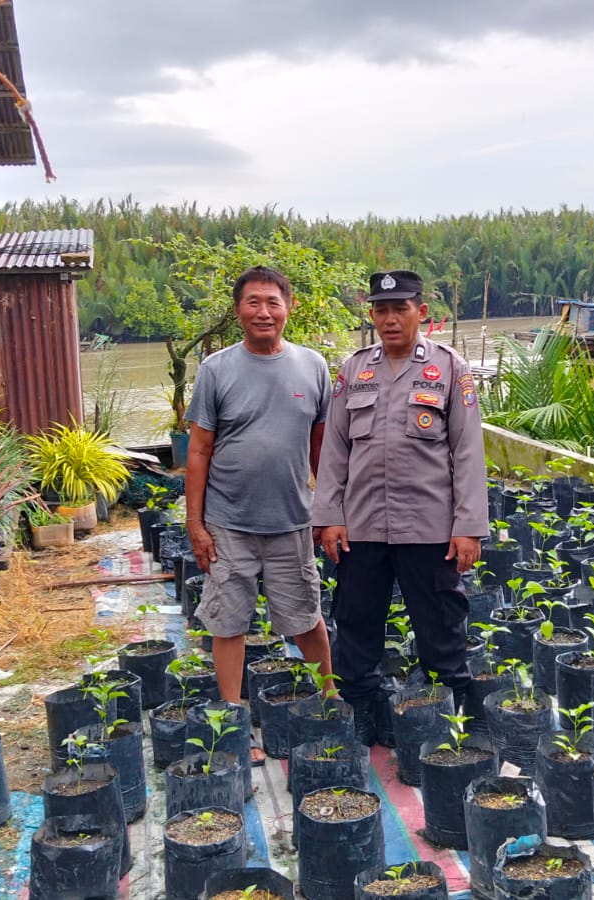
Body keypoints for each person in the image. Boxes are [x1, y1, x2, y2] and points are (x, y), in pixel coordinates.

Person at [313, 269, 488, 744]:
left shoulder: (449, 368)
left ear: (421, 313)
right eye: (381, 310)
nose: (390, 319)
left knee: (441, 628)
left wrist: (468, 526)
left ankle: (447, 723)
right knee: (356, 624)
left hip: (429, 528)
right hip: (362, 525)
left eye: (400, 309)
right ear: (371, 315)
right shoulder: (353, 370)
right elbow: (335, 450)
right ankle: (363, 716)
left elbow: (468, 451)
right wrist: (328, 516)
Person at [184, 265, 335, 762]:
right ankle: (233, 723)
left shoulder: (313, 366)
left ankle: (330, 701)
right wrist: (195, 523)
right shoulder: (216, 369)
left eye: (273, 301)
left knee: (306, 617)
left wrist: (330, 510)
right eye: (253, 302)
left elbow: (321, 446)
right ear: (238, 311)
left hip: (292, 520)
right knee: (229, 623)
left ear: (289, 307)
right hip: (228, 522)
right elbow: (198, 450)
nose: (263, 312)